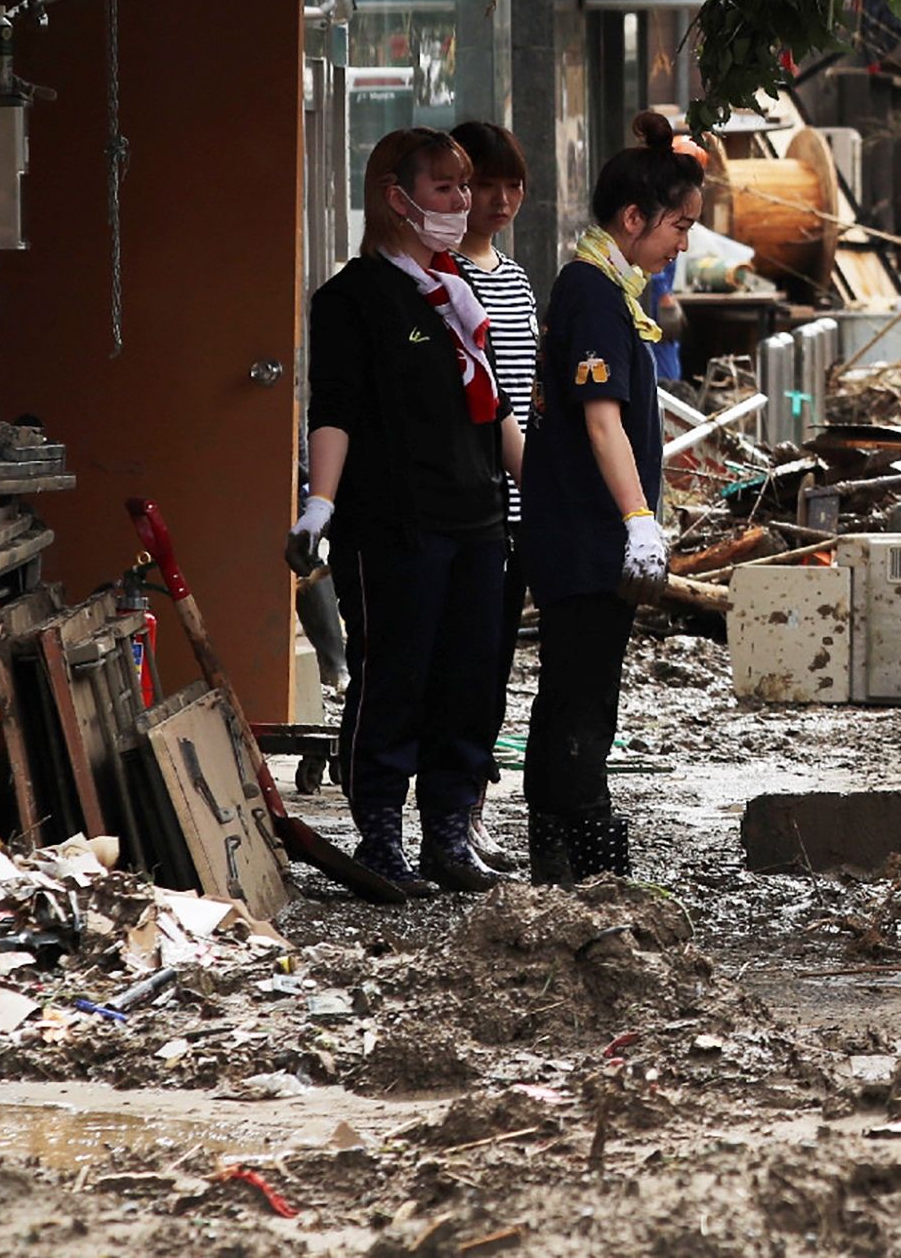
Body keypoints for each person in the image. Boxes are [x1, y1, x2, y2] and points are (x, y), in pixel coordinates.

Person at [290, 128, 525, 897]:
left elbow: (496, 411)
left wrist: (548, 494)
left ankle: (449, 834)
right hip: (395, 521)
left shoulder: (459, 290)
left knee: (469, 681)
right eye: (446, 188)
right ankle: (380, 835)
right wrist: (319, 504)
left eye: (465, 186)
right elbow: (334, 411)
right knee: (394, 677)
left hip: (476, 517)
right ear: (397, 198)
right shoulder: (352, 299)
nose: (464, 201)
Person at [516, 112, 706, 883]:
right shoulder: (594, 294)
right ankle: (589, 855)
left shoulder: (604, 287)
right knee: (584, 698)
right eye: (678, 226)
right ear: (634, 218)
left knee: (569, 691)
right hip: (584, 532)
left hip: (580, 529)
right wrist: (638, 522)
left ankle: (557, 853)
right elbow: (602, 422)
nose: (682, 244)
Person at [449, 120, 537, 877]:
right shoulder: (440, 277)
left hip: (515, 507)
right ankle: (443, 819)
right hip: (464, 502)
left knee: (492, 668)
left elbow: (526, 390)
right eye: (485, 184)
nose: (500, 199)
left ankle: (470, 814)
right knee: (458, 668)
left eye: (513, 185)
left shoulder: (513, 277)